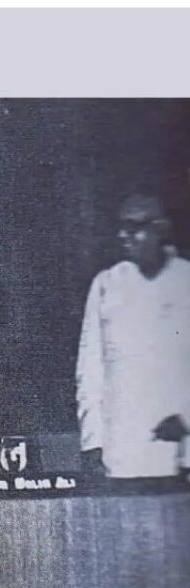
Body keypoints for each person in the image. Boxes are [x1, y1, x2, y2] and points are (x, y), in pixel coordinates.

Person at [76, 193, 190, 479]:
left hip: (181, 450)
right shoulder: (107, 285)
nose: (122, 236)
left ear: (161, 229)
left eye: (133, 228)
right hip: (123, 450)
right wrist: (93, 441)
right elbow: (90, 370)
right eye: (120, 227)